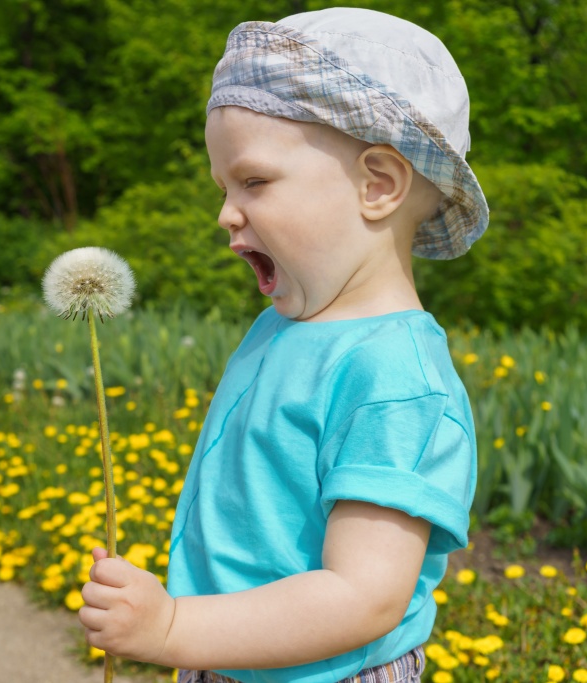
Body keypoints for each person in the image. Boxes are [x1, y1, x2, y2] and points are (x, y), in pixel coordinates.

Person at [78, 7, 488, 683]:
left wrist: (175, 627)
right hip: (230, 654)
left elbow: (363, 595)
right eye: (225, 187)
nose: (225, 212)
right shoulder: (284, 323)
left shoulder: (395, 377)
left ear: (377, 184)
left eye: (255, 181)